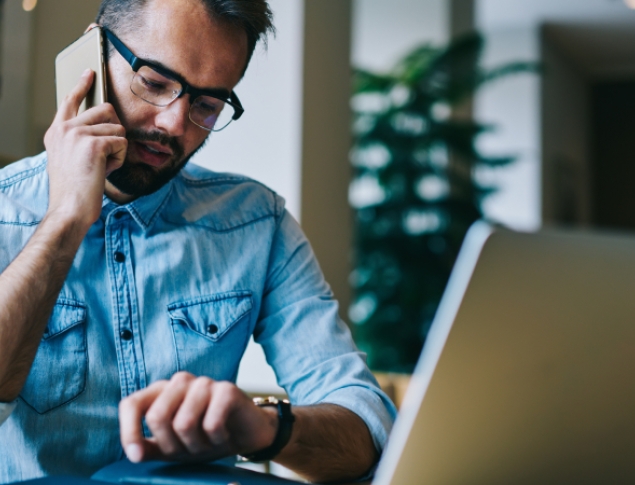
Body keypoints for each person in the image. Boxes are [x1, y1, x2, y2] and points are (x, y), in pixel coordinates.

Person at [0, 0, 396, 483]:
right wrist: (64, 221)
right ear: (93, 54)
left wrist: (265, 428)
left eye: (207, 104)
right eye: (154, 82)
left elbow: (368, 433)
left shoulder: (257, 223)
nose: (174, 125)